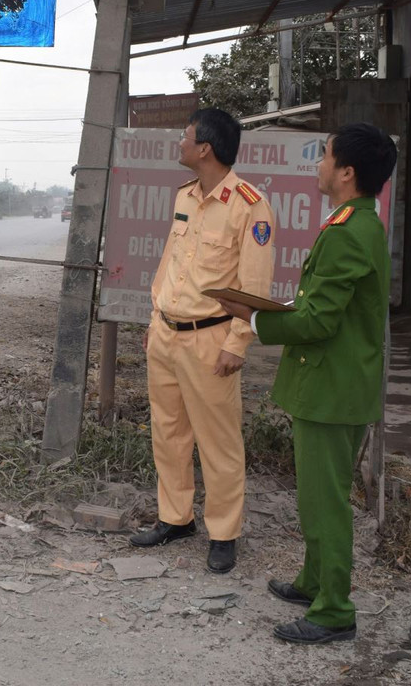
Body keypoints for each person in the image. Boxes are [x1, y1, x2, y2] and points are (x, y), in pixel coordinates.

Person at [216, 122, 396, 644]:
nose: (319, 165)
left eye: (326, 156)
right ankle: (314, 581)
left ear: (347, 172)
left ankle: (334, 611)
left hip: (331, 390)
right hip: (333, 385)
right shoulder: (358, 222)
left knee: (326, 502)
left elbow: (318, 322)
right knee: (317, 495)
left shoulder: (347, 233)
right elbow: (324, 304)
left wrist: (252, 319)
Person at [130, 107, 275, 574]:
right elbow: (170, 263)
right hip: (167, 334)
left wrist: (237, 343)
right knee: (168, 434)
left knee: (218, 442)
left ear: (205, 148)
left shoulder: (249, 205)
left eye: (185, 136)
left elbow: (255, 285)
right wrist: (155, 318)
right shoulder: (186, 196)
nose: (180, 142)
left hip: (211, 340)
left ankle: (224, 533)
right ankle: (176, 518)